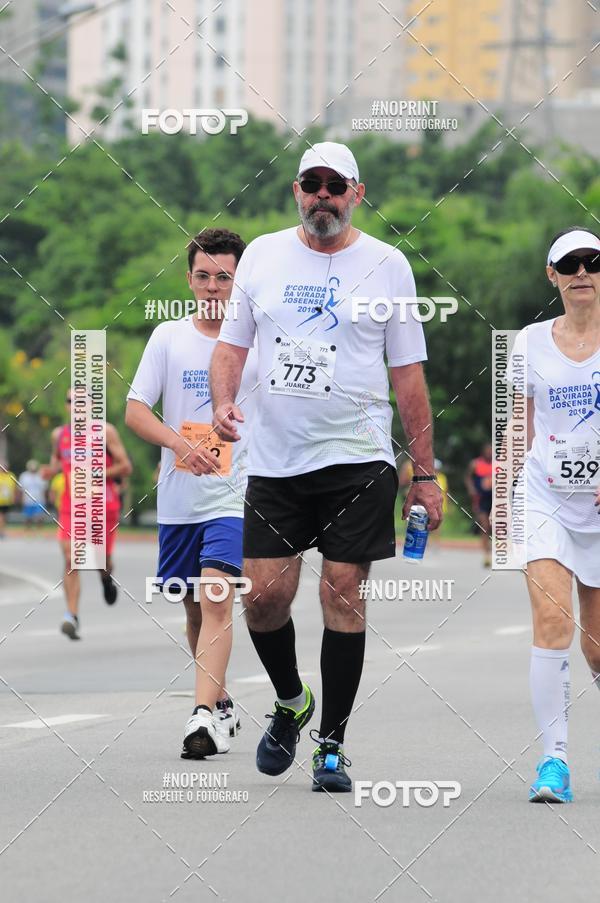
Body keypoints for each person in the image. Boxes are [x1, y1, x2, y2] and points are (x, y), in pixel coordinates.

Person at [210, 141, 442, 793]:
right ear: (295, 190)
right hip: (276, 460)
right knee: (263, 597)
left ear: (356, 194)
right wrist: (225, 401)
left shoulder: (389, 266)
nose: (322, 196)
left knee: (342, 588)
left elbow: (409, 374)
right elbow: (230, 348)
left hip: (358, 457)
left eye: (334, 185)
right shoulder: (261, 255)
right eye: (311, 183)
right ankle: (290, 701)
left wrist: (424, 473)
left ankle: (331, 744)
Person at [126, 227, 256, 759]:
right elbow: (135, 411)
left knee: (217, 595)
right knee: (195, 610)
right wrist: (181, 444)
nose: (212, 287)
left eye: (223, 277)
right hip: (180, 499)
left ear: (239, 281)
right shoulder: (169, 337)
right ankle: (220, 702)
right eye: (203, 276)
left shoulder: (258, 342)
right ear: (189, 279)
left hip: (235, 493)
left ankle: (200, 721)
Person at [509, 226, 600, 803]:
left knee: (596, 647)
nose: (583, 273)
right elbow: (516, 426)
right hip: (544, 499)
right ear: (553, 276)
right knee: (553, 624)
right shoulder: (528, 344)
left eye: (594, 262)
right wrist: (503, 501)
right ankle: (554, 762)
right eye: (570, 265)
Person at [48, 392, 132, 639]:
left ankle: (106, 579)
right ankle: (71, 616)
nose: (76, 406)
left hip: (101, 506)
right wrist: (48, 471)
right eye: (71, 401)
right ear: (66, 406)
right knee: (70, 555)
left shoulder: (106, 432)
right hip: (70, 507)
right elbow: (56, 463)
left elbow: (125, 466)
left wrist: (95, 474)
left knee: (100, 560)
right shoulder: (59, 435)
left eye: (82, 401)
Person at [465, 443, 493, 566]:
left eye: (491, 451)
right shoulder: (475, 464)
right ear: (483, 451)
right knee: (485, 526)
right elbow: (467, 477)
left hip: (495, 499)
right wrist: (471, 489)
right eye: (487, 450)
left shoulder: (498, 464)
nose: (489, 453)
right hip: (481, 499)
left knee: (496, 527)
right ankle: (486, 555)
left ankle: (496, 550)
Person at [18, 459, 47, 528]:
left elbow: (44, 489)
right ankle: (28, 531)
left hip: (39, 499)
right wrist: (21, 499)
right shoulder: (24, 476)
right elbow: (21, 489)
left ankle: (39, 530)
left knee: (40, 517)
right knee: (28, 517)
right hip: (27, 500)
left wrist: (45, 499)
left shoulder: (41, 475)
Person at [0, 462, 17, 538]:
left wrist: (14, 497)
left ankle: (2, 531)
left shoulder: (11, 475)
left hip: (6, 501)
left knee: (4, 517)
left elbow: (13, 488)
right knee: (1, 517)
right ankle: (1, 532)